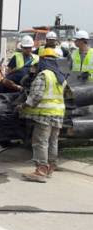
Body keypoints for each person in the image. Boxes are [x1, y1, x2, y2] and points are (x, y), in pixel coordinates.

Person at [19, 48, 66, 183]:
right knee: (53, 141)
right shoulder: (61, 77)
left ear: (43, 60)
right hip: (58, 113)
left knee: (41, 141)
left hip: (45, 114)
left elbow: (36, 96)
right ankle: (50, 167)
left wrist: (23, 106)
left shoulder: (44, 75)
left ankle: (41, 170)